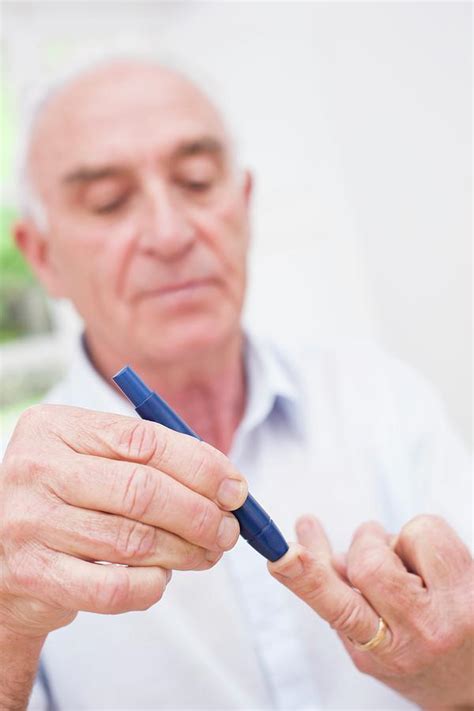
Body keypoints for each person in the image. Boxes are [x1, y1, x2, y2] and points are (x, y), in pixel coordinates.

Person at [0, 57, 472, 711]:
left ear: (244, 204)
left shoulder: (383, 398)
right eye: (109, 202)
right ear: (44, 257)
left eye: (196, 181)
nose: (170, 234)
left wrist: (460, 683)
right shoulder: (12, 507)